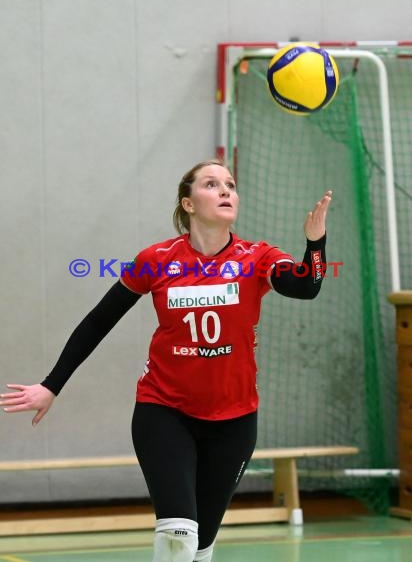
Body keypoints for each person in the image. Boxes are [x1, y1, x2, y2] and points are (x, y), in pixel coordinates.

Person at [0, 159, 332, 562]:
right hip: (165, 411)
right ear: (188, 204)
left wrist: (315, 243)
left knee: (200, 548)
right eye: (212, 184)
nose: (226, 190)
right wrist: (52, 384)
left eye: (229, 184)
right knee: (177, 537)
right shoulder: (156, 260)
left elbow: (306, 286)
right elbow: (98, 321)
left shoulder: (258, 257)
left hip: (234, 421)